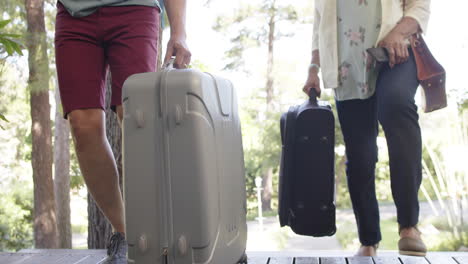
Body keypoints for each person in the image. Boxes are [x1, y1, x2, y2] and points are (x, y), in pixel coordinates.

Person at [54, 0, 191, 263]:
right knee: (82, 125)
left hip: (135, 9)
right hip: (74, 14)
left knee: (135, 117)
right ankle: (126, 234)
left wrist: (178, 30)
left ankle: (157, 229)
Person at [302, 0, 430, 257]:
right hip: (347, 68)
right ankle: (368, 240)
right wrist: (313, 69)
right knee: (361, 155)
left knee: (395, 104)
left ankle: (409, 226)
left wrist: (398, 32)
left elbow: (420, 7)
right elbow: (320, 27)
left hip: (395, 53)